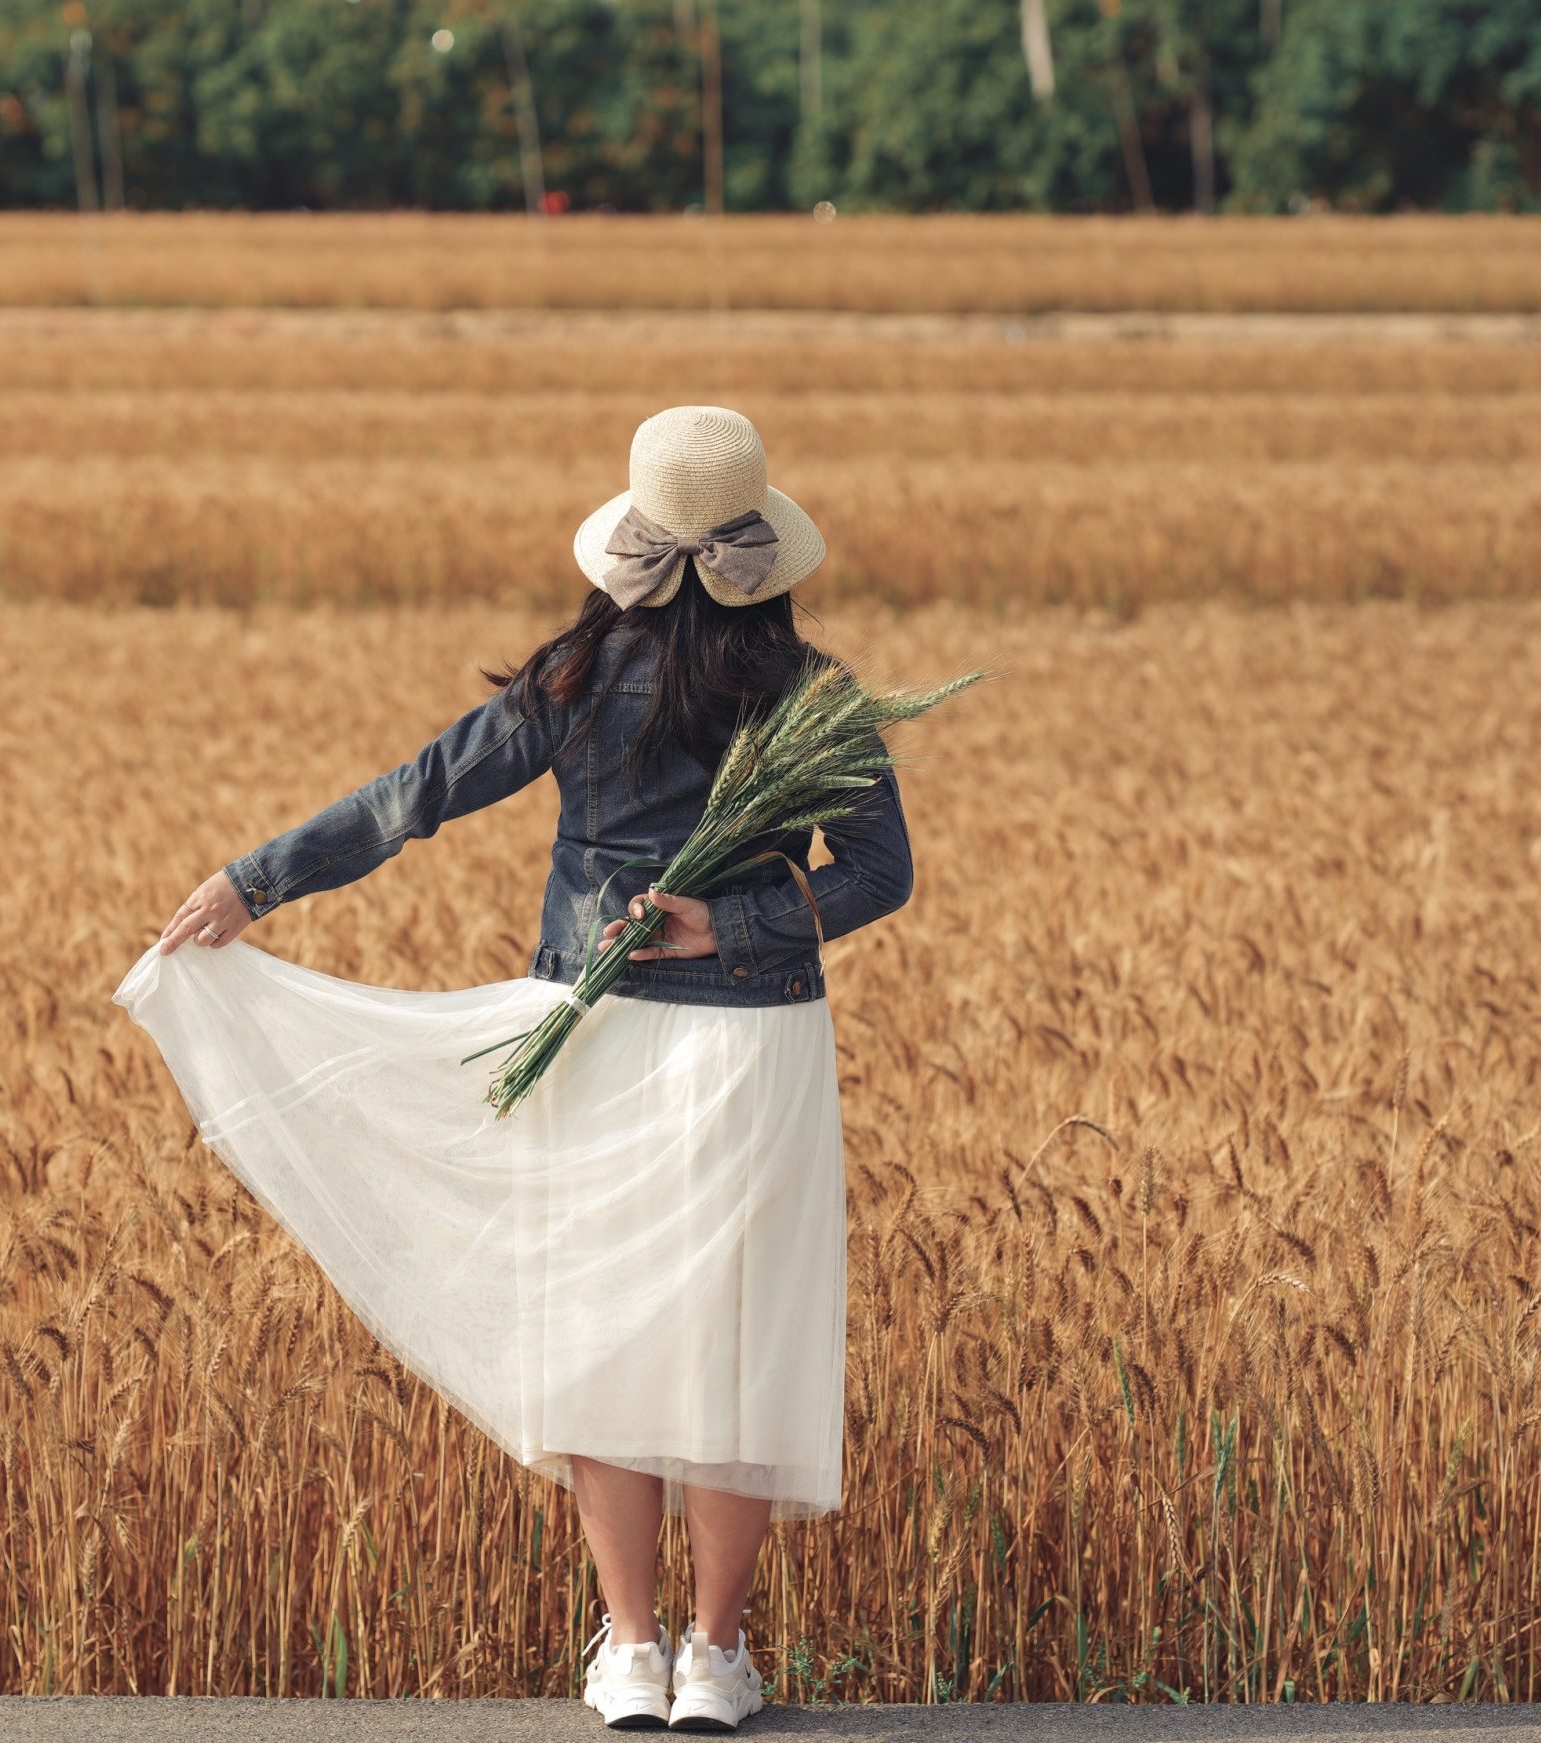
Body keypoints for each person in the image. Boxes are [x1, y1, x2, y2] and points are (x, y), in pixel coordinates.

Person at [112, 405, 915, 1732]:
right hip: (753, 1039)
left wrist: (255, 881)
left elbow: (420, 790)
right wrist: (732, 926)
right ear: (765, 553)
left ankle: (632, 1650)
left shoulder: (577, 679)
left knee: (603, 1329)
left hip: (594, 1034)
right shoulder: (814, 694)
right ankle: (716, 1661)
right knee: (733, 1342)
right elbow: (880, 874)